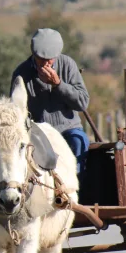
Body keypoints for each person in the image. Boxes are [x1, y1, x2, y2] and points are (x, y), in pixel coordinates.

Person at [10, 28, 91, 173]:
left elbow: (82, 102)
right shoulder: (21, 73)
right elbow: (16, 110)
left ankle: (76, 189)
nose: (46, 63)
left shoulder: (67, 65)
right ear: (34, 54)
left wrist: (58, 84)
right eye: (42, 59)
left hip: (68, 128)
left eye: (51, 59)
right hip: (38, 131)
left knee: (79, 141)